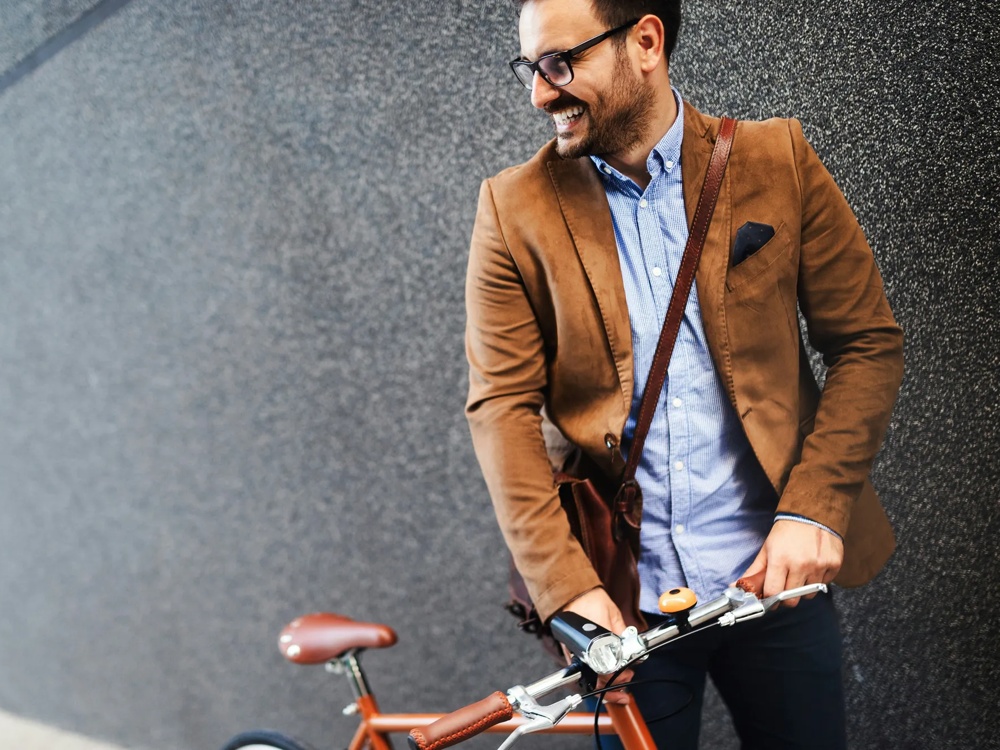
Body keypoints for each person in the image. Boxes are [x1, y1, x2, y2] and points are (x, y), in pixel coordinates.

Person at [464, 0, 904, 747]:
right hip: (623, 609)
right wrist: (569, 589)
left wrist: (816, 507)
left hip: (773, 588)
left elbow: (866, 341)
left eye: (559, 64)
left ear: (644, 42)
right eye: (530, 68)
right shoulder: (513, 209)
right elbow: (501, 408)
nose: (540, 93)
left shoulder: (778, 160)